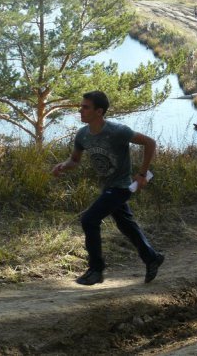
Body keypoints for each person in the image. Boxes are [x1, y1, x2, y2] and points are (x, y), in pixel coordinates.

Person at [52, 91, 164, 286]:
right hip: (107, 187)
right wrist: (63, 165)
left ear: (99, 111)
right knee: (125, 224)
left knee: (89, 219)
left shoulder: (117, 131)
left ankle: (96, 269)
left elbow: (150, 142)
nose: (81, 110)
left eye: (86, 107)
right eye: (81, 106)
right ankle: (151, 257)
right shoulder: (83, 135)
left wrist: (143, 174)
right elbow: (75, 160)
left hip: (121, 186)